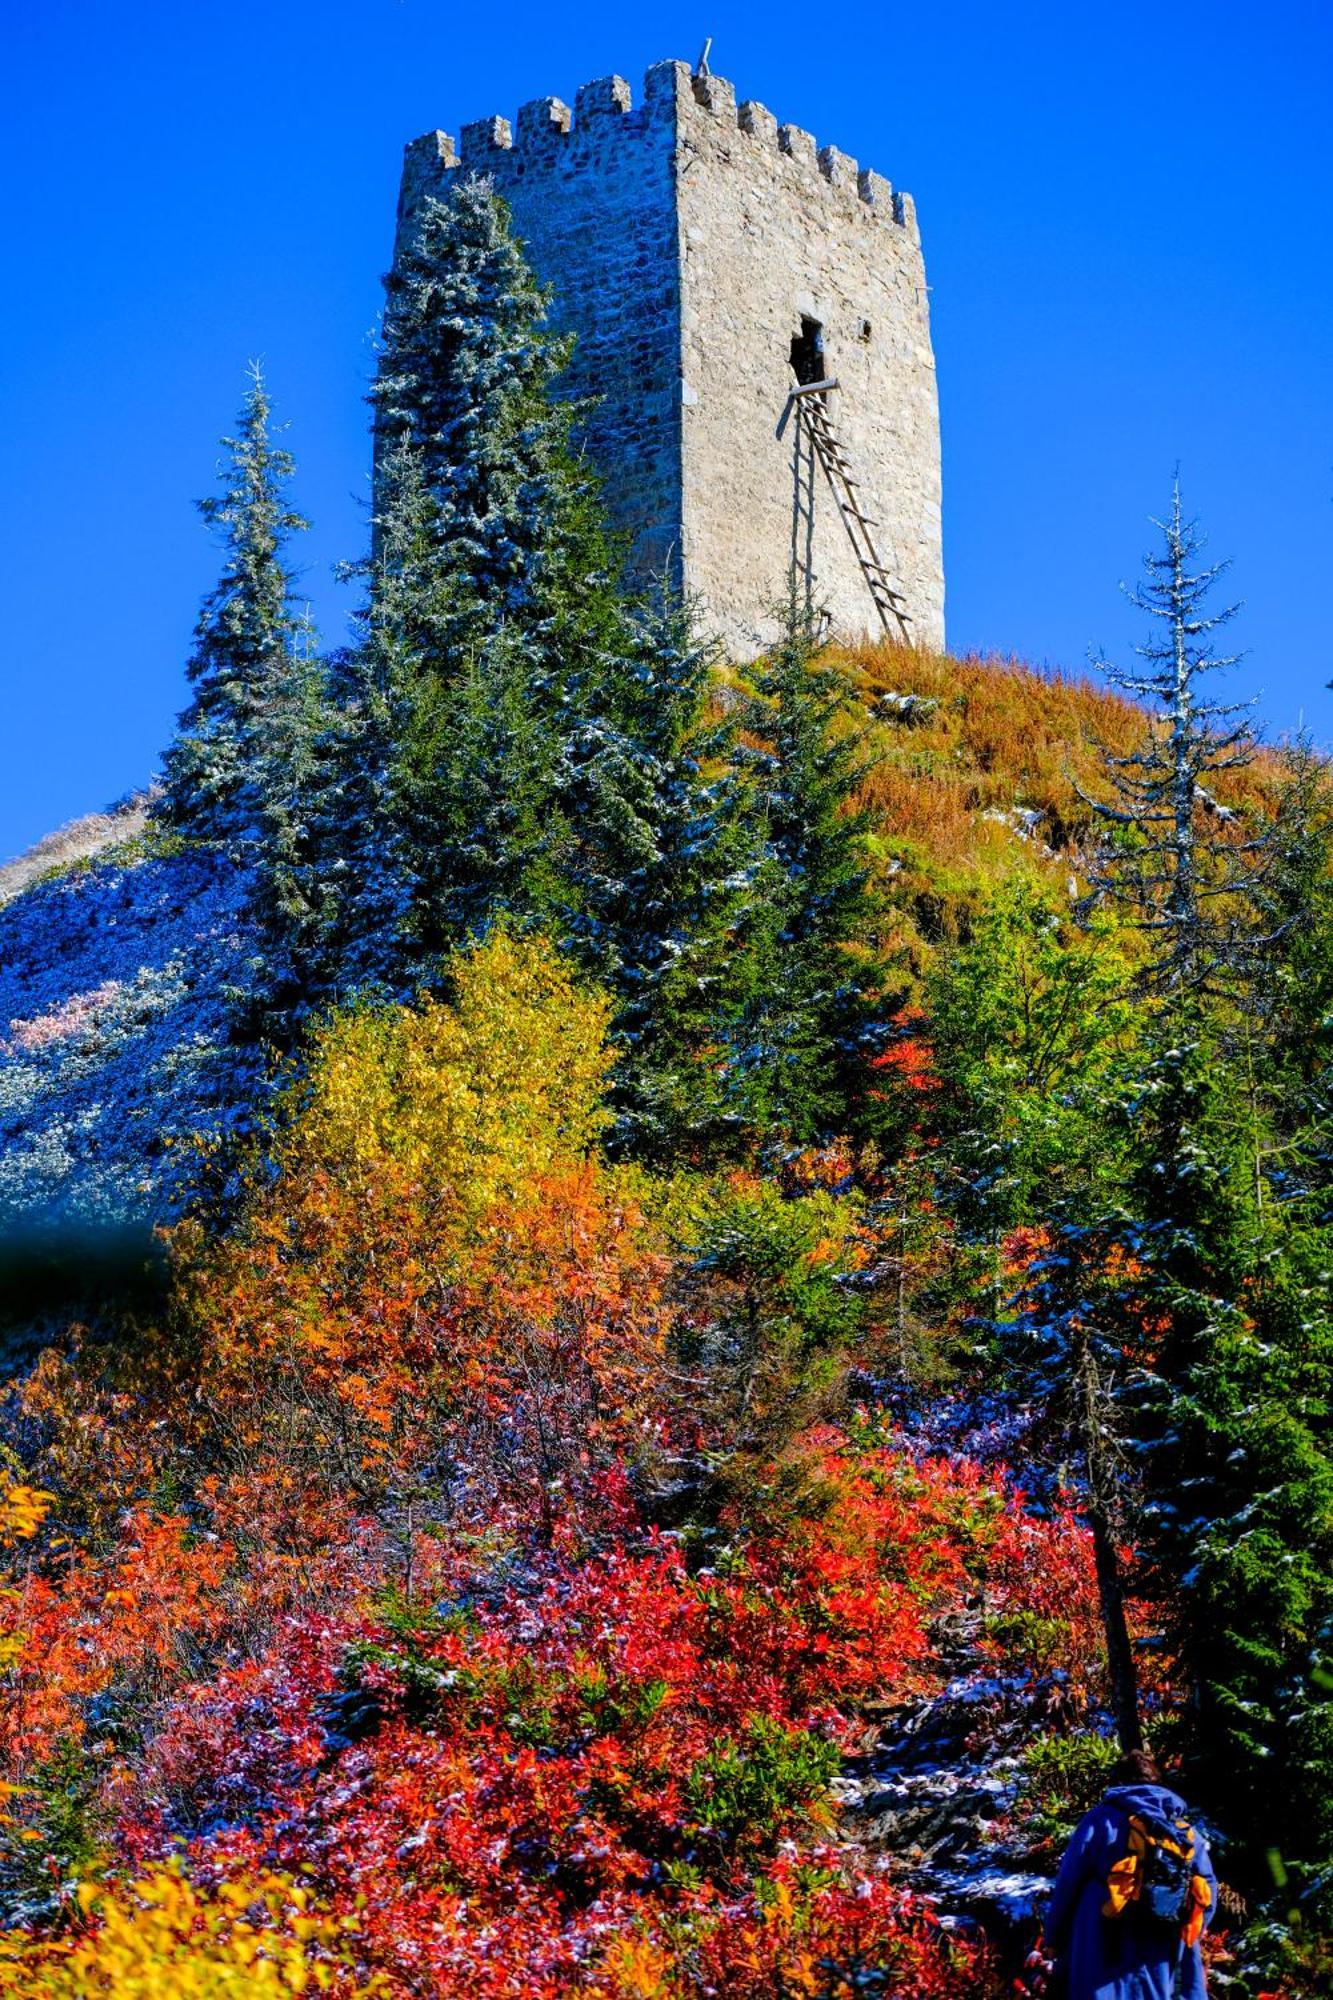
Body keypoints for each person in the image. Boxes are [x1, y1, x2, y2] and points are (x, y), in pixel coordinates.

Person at [1042, 1748, 1217, 2000]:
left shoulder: (1099, 1820)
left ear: (1118, 1782)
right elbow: (1208, 1891)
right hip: (1162, 1938)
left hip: (1101, 1935)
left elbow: (1069, 1881)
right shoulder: (1183, 1831)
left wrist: (1054, 1936)